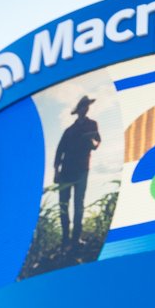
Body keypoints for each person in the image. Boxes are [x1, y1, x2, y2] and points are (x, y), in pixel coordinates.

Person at [53, 95, 101, 247]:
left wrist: (92, 142)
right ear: (79, 109)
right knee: (63, 205)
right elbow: (59, 151)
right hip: (66, 171)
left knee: (78, 204)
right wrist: (56, 171)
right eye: (83, 106)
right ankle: (65, 239)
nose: (85, 108)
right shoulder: (69, 131)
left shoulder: (92, 124)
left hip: (82, 169)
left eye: (87, 106)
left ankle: (76, 238)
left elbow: (97, 142)